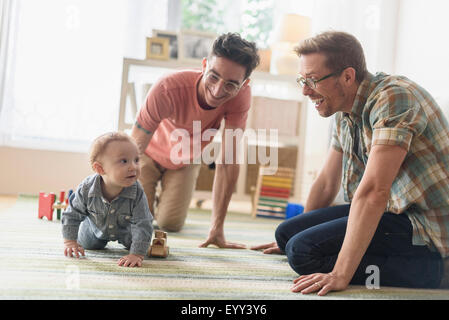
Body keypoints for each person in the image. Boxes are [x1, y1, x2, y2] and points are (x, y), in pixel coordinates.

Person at [251, 31, 449, 295]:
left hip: (427, 226)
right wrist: (299, 235)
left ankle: (435, 272)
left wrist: (341, 273)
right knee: (287, 235)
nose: (305, 90)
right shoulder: (343, 107)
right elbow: (326, 182)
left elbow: (374, 192)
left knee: (303, 254)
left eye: (312, 80)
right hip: (395, 212)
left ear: (347, 76)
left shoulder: (394, 99)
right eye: (302, 80)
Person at [131, 32, 259, 249]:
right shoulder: (167, 87)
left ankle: (160, 198)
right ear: (204, 65)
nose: (218, 90)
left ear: (244, 84)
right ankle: (149, 196)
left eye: (231, 84)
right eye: (214, 76)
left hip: (185, 161)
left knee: (169, 224)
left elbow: (228, 162)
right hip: (148, 155)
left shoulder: (241, 97)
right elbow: (134, 146)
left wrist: (217, 228)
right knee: (139, 219)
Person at [62, 132, 153, 267]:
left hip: (126, 231)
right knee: (88, 244)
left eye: (136, 160)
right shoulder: (87, 189)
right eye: (124, 161)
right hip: (93, 230)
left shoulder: (137, 191)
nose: (133, 166)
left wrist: (137, 254)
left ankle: (135, 247)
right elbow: (72, 214)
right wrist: (70, 242)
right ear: (100, 168)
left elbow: (143, 222)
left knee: (140, 244)